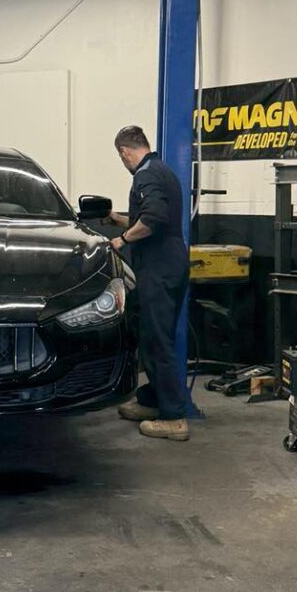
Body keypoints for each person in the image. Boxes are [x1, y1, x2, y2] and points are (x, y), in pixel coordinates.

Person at [110, 126, 191, 442]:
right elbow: (151, 215)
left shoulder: (145, 175)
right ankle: (154, 400)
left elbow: (153, 219)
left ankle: (174, 418)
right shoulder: (161, 170)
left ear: (124, 152)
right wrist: (116, 217)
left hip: (159, 266)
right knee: (154, 336)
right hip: (168, 262)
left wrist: (122, 239)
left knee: (157, 341)